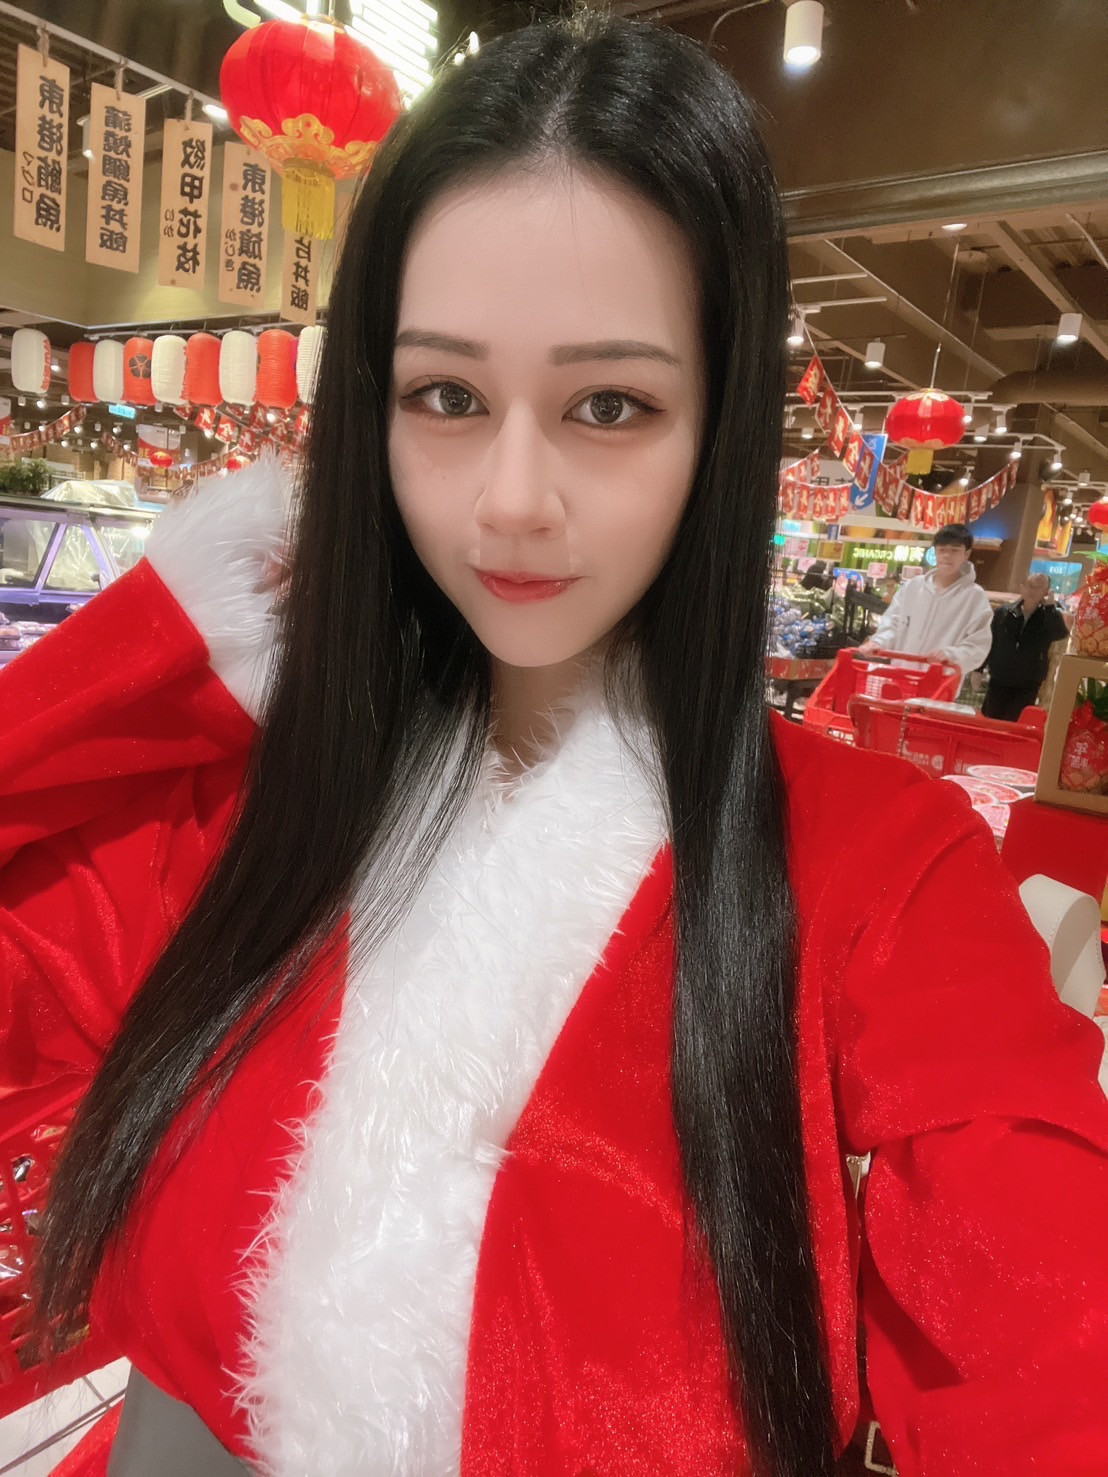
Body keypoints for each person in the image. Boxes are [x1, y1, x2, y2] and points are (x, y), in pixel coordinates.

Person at [2, 16, 1107, 1477]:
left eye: (609, 405)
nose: (512, 500)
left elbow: (1050, 1354)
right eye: (446, 397)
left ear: (719, 422)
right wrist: (167, 644)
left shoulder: (878, 871)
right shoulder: (253, 796)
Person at [856, 523, 993, 676]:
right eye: (942, 550)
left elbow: (978, 646)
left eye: (955, 550)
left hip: (940, 681)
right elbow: (893, 623)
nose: (947, 556)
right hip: (900, 676)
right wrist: (878, 642)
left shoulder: (975, 597)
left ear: (966, 554)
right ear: (935, 552)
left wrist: (951, 655)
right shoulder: (913, 587)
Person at [983, 571, 1070, 721]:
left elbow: (1060, 634)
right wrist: (979, 669)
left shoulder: (1048, 617)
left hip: (1028, 681)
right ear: (1022, 587)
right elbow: (990, 641)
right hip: (999, 677)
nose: (1032, 590)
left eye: (1038, 587)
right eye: (1029, 585)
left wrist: (1050, 608)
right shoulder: (1004, 612)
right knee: (990, 719)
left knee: (1015, 721)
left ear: (1046, 592)